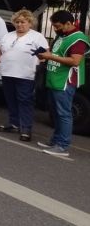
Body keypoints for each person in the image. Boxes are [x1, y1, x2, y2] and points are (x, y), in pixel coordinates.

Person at [0, 9, 48, 142]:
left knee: (25, 101)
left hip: (26, 75)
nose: (20, 24)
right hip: (8, 73)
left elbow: (45, 53)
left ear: (30, 23)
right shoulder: (8, 36)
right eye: (17, 22)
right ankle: (13, 123)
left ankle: (26, 128)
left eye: (23, 22)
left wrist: (40, 63)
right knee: (11, 99)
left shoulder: (37, 36)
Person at [36, 10, 89, 156]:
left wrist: (50, 56)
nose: (55, 29)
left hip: (65, 82)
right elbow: (57, 54)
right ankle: (55, 141)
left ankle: (63, 146)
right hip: (55, 80)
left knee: (64, 114)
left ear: (69, 23)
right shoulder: (62, 35)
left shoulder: (78, 39)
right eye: (54, 26)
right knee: (56, 112)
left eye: (58, 26)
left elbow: (75, 61)